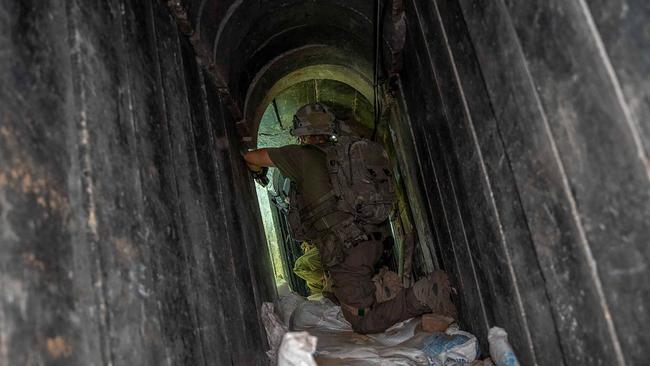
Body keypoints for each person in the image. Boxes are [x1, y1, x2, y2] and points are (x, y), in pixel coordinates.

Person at [244, 102, 457, 334]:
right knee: (345, 296)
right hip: (374, 242)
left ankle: (424, 293)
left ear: (302, 134)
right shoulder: (344, 154)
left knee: (363, 321)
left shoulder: (300, 156)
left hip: (346, 251)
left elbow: (251, 157)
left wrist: (257, 172)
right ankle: (380, 290)